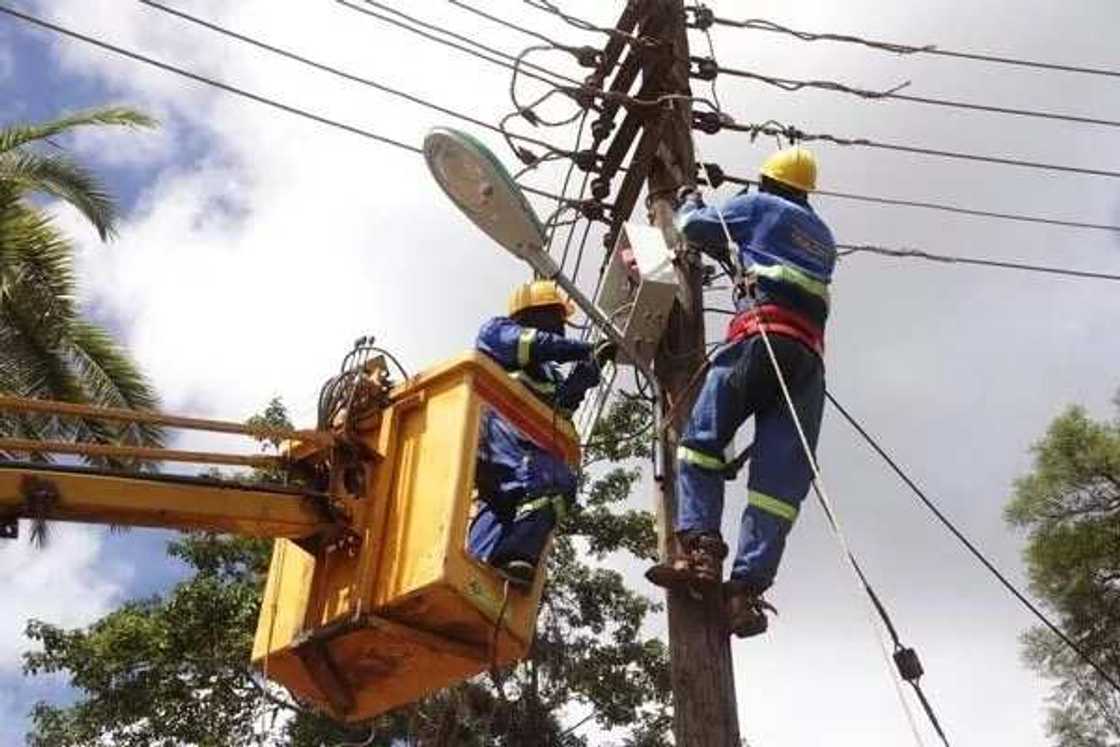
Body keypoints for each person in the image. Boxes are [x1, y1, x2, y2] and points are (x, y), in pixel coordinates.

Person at [645, 147, 837, 638]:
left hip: (760, 338)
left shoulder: (759, 206)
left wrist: (687, 199)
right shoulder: (823, 237)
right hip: (807, 364)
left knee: (701, 444)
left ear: (768, 181)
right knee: (779, 486)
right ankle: (746, 593)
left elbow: (696, 228)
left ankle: (702, 554)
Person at [468, 280, 613, 586]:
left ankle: (484, 574)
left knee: (535, 499)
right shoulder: (496, 332)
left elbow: (559, 409)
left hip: (520, 453)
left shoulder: (547, 373)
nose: (560, 328)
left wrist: (591, 368)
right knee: (549, 479)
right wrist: (583, 348)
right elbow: (533, 344)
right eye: (556, 318)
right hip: (492, 435)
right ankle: (510, 556)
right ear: (533, 313)